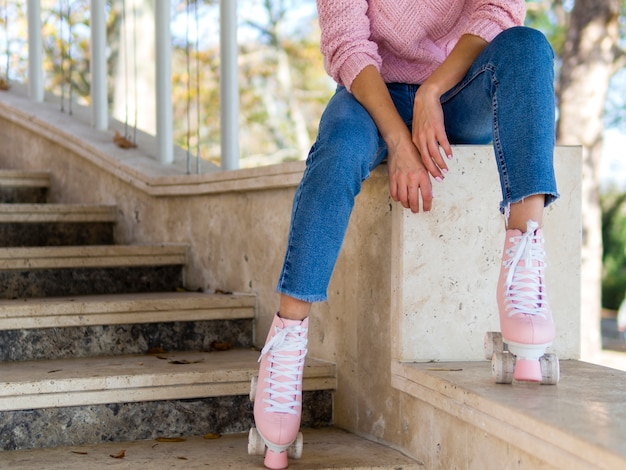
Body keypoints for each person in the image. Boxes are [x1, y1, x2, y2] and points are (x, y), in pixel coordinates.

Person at [251, 1, 559, 468]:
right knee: (335, 156)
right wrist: (398, 140)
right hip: (371, 93)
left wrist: (432, 90)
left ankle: (524, 263)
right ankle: (287, 342)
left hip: (458, 89)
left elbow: (496, 9)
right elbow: (348, 45)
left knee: (529, 48)